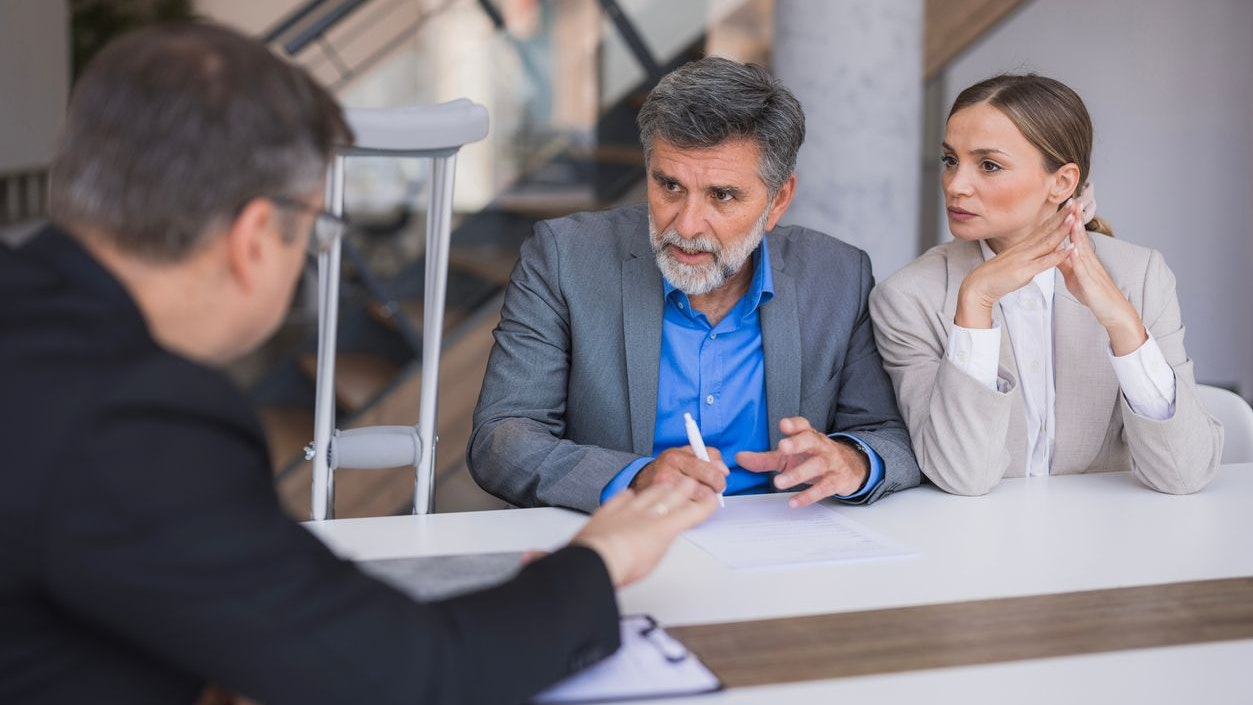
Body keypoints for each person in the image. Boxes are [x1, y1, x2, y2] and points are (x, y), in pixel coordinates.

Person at [0, 23, 717, 705]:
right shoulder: (135, 418)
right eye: (316, 228)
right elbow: (407, 676)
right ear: (255, 238)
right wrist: (597, 560)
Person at [469, 57, 919, 513]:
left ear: (779, 199)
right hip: (625, 542)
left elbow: (889, 435)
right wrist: (635, 479)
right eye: (669, 185)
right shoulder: (564, 257)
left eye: (722, 195)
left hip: (783, 551)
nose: (685, 224)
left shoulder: (838, 274)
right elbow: (501, 440)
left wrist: (851, 460)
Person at [869, 73, 1223, 496]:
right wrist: (976, 302)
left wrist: (1124, 326)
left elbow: (1185, 473)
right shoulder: (908, 298)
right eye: (950, 160)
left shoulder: (1139, 277)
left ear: (1063, 182)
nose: (955, 185)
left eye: (989, 165)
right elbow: (963, 476)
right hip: (972, 547)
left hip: (1118, 543)